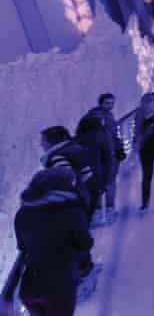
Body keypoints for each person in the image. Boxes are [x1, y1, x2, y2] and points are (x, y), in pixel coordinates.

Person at [14, 167, 94, 316]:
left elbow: (22, 247)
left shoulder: (22, 213)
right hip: (59, 287)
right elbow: (85, 244)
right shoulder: (72, 212)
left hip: (30, 287)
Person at [85, 94, 123, 220]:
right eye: (107, 103)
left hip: (99, 154)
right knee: (109, 183)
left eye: (112, 103)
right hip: (106, 154)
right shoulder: (99, 117)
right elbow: (110, 135)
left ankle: (98, 213)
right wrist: (118, 148)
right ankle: (109, 211)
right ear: (100, 103)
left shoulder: (92, 116)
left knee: (99, 184)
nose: (110, 106)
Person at [73, 116, 112, 221]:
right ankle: (87, 221)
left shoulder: (76, 139)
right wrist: (108, 179)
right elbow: (107, 159)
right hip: (96, 174)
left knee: (82, 198)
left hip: (80, 174)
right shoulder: (102, 137)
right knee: (93, 197)